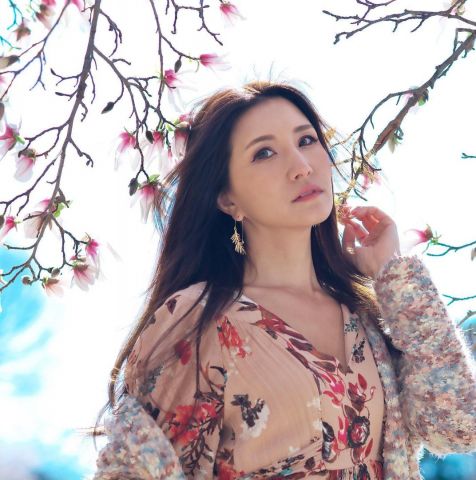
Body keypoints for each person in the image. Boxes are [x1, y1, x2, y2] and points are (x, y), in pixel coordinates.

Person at [91, 80, 476, 480]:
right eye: (265, 153)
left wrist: (395, 277)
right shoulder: (199, 318)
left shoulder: (363, 314)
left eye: (306, 140)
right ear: (228, 199)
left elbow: (458, 425)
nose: (301, 165)